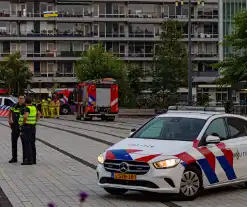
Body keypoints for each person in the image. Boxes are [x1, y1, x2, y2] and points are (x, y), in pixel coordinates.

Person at [19, 97, 41, 165]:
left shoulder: (27, 108)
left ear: (25, 102)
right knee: (32, 143)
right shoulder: (34, 107)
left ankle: (28, 161)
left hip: (27, 127)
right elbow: (39, 114)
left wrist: (23, 123)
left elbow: (25, 117)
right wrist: (35, 121)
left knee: (27, 144)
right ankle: (33, 160)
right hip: (33, 127)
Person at [8, 95, 26, 163]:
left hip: (23, 126)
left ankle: (25, 158)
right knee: (14, 142)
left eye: (22, 98)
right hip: (15, 126)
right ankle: (14, 158)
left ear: (24, 99)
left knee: (24, 143)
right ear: (18, 99)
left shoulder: (26, 106)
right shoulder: (14, 105)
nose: (21, 99)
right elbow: (9, 112)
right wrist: (9, 120)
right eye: (20, 98)